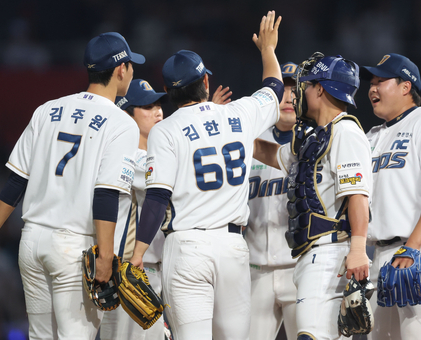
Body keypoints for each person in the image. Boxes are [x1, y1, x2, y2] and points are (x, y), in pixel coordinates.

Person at [0, 32, 143, 340]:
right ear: (120, 69)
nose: (132, 70)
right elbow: (105, 194)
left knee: (40, 336)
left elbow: (16, 179)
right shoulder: (120, 123)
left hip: (32, 241)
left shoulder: (48, 109)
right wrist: (105, 254)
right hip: (73, 246)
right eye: (130, 65)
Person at [128, 11, 284, 340]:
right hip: (232, 245)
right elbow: (273, 86)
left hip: (187, 247)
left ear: (169, 92)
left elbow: (156, 197)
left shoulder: (165, 131)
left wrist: (138, 253)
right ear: (207, 83)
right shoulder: (238, 113)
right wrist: (268, 50)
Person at [253, 53, 372, 340]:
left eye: (305, 85)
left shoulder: (345, 131)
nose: (300, 93)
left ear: (321, 89)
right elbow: (272, 154)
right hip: (312, 255)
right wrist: (235, 130)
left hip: (331, 252)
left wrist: (358, 247)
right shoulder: (315, 137)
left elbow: (357, 196)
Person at [362, 53, 421, 340]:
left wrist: (412, 248)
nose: (372, 88)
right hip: (380, 252)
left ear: (406, 86)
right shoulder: (371, 136)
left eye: (381, 81)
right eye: (371, 82)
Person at [100, 78, 168, 340]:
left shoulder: (159, 153)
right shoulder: (129, 157)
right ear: (127, 114)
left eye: (158, 104)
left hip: (158, 267)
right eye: (147, 106)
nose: (158, 111)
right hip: (132, 271)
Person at [246, 61, 298, 340]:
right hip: (256, 272)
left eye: (295, 89)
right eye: (282, 89)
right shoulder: (249, 142)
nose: (287, 97)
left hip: (300, 269)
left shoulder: (316, 141)